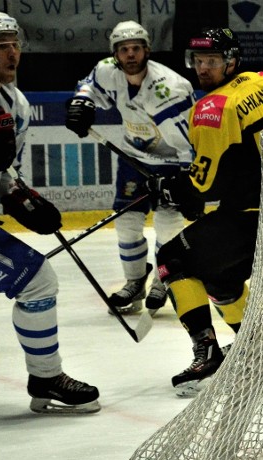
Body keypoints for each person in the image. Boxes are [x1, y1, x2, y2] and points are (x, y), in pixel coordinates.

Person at [156, 28, 263, 396]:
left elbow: (204, 187)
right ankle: (256, 349)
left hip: (249, 213)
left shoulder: (212, 109)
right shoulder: (262, 81)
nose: (202, 68)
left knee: (172, 259)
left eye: (211, 62)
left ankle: (208, 356)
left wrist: (172, 188)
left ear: (230, 62)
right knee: (220, 279)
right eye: (197, 61)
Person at [0, 10, 100, 414]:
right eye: (0, 45)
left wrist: (19, 196)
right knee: (37, 281)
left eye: (15, 43)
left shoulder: (17, 104)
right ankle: (46, 376)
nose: (12, 52)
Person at [65, 21, 194, 315]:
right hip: (134, 158)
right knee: (126, 223)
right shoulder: (107, 70)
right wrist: (81, 103)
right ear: (116, 54)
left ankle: (165, 278)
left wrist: (188, 178)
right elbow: (89, 85)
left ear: (147, 50)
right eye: (124, 50)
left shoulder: (169, 88)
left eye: (136, 48)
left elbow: (190, 138)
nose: (131, 54)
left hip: (173, 162)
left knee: (167, 224)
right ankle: (135, 282)